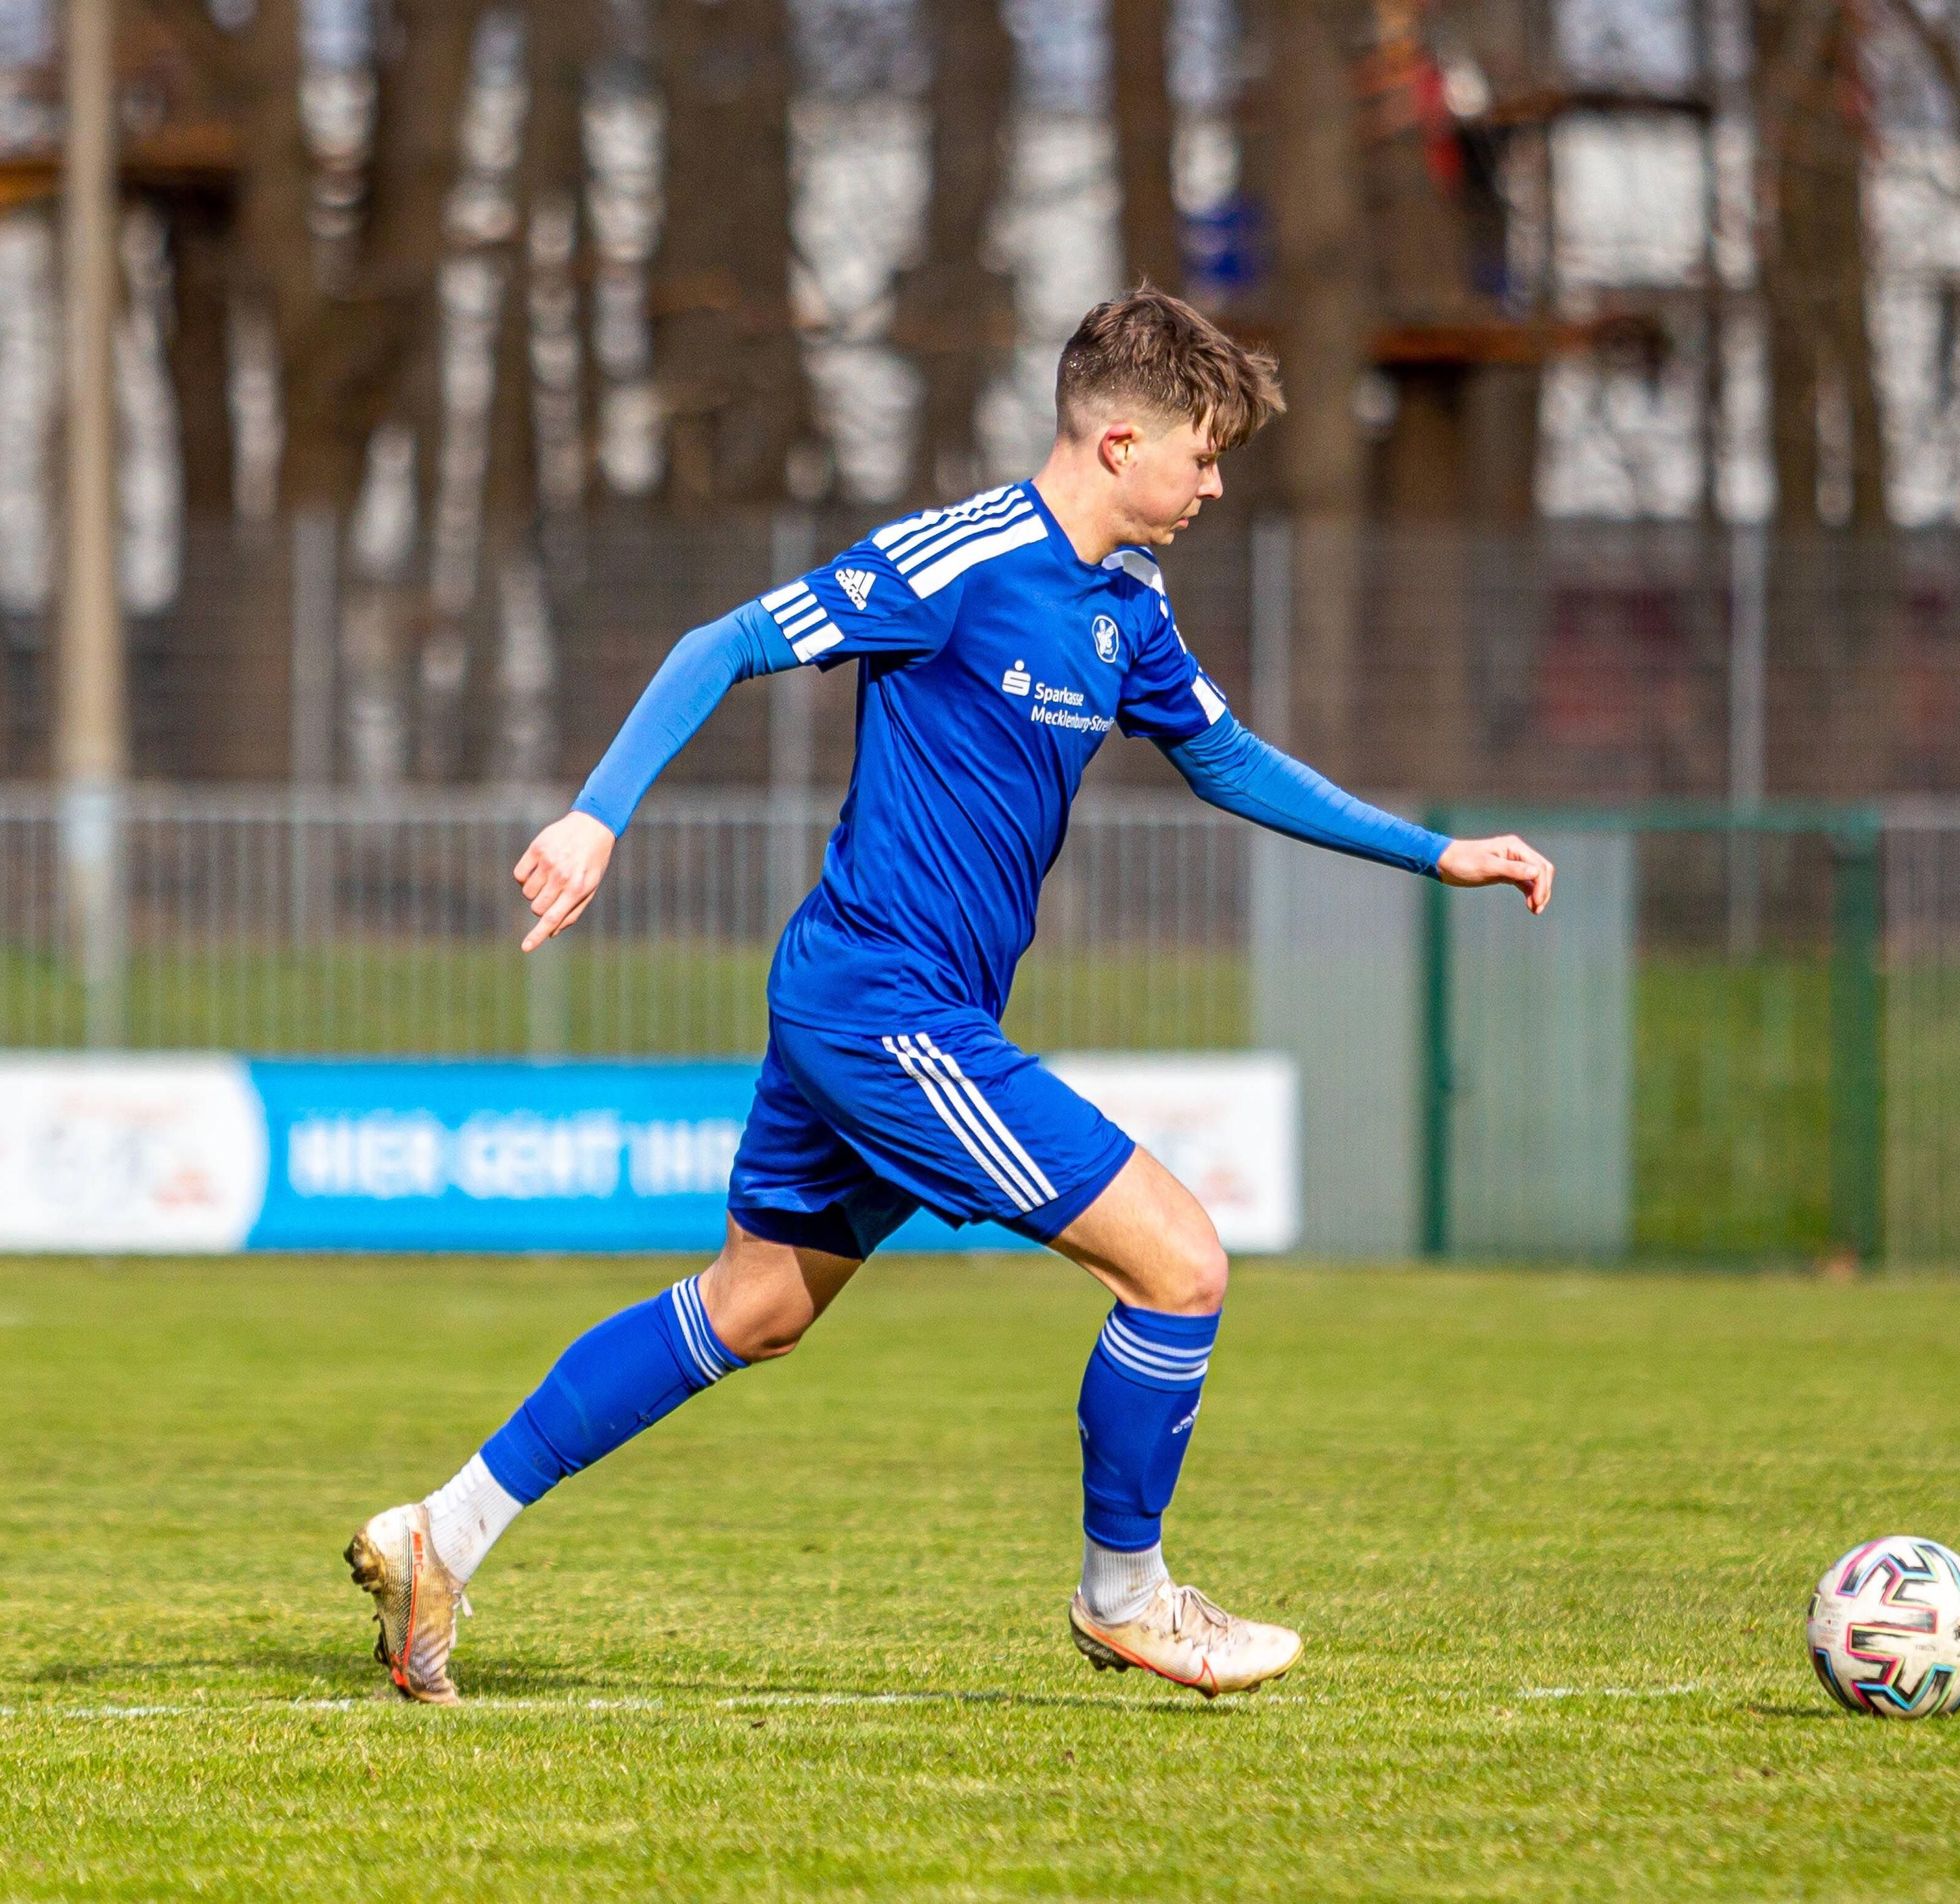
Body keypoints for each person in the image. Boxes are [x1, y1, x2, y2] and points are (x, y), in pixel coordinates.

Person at [348, 287, 1553, 1702]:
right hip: (884, 1006)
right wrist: (595, 816)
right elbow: (717, 646)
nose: (1215, 485)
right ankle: (1129, 1598)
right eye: (1203, 454)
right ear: (1117, 443)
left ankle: (446, 1531)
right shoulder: (961, 558)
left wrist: (1435, 853)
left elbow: (1226, 761)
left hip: (873, 1001)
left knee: (756, 1306)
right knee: (1177, 1266)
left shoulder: (1126, 603)